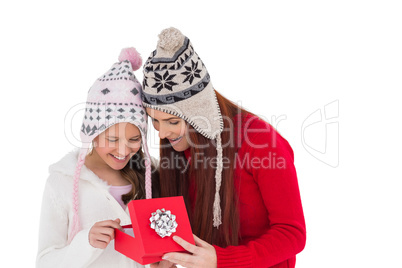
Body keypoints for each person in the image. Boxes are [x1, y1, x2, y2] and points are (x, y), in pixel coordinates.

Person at [141, 27, 306, 268]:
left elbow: (292, 234)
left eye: (172, 122)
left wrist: (223, 260)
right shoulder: (180, 149)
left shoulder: (260, 142)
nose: (162, 134)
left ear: (199, 113)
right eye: (154, 121)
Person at [37, 47, 159, 267]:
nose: (123, 151)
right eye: (112, 140)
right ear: (91, 134)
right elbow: (44, 261)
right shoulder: (61, 182)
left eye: (134, 139)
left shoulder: (151, 175)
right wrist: (86, 242)